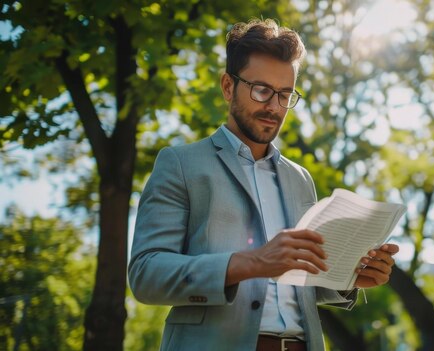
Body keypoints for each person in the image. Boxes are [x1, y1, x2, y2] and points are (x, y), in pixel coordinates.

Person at [128, 18, 400, 351]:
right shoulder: (181, 164)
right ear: (228, 86)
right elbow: (146, 273)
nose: (274, 107)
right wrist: (251, 262)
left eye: (285, 95)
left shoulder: (300, 179)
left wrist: (349, 277)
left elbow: (301, 283)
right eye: (261, 90)